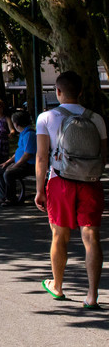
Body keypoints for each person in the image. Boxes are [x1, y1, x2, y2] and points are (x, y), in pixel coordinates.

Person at [34, 71, 106, 307]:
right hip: (90, 182)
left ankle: (57, 285)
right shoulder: (96, 119)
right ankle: (92, 296)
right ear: (81, 92)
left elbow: (41, 157)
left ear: (57, 91)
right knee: (91, 236)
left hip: (60, 182)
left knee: (59, 235)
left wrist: (39, 190)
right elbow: (104, 155)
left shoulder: (46, 117)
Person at [0, 110, 34, 206]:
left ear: (16, 124)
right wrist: (7, 162)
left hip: (29, 165)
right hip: (20, 163)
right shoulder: (23, 133)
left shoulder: (29, 134)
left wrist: (15, 165)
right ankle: (2, 197)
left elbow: (27, 155)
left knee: (9, 173)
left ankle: (11, 199)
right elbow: (18, 152)